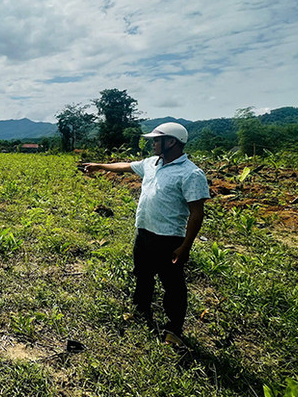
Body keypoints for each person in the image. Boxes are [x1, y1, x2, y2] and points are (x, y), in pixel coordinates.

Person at [79, 122, 209, 345]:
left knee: (173, 286)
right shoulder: (152, 164)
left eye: (157, 140)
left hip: (169, 239)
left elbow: (197, 214)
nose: (153, 144)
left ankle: (173, 329)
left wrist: (185, 246)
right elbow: (125, 166)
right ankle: (141, 312)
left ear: (171, 142)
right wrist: (100, 166)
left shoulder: (191, 174)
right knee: (142, 275)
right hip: (144, 233)